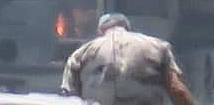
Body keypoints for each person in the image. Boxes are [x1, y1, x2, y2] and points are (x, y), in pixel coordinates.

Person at [60, 13, 195, 105]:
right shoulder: (158, 47)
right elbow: (177, 90)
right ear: (127, 28)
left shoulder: (80, 54)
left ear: (100, 31)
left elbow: (69, 99)